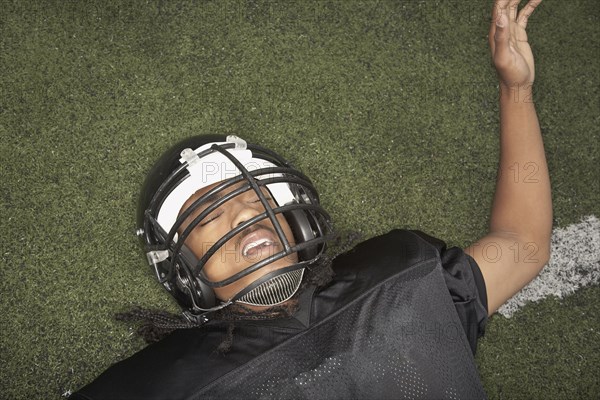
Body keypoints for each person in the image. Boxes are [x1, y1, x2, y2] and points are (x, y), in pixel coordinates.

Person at [71, 0, 551, 398]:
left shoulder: (402, 278)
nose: (244, 212)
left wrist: (517, 90)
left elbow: (522, 243)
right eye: (211, 215)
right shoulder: (157, 386)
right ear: (186, 274)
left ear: (297, 224)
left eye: (258, 200)